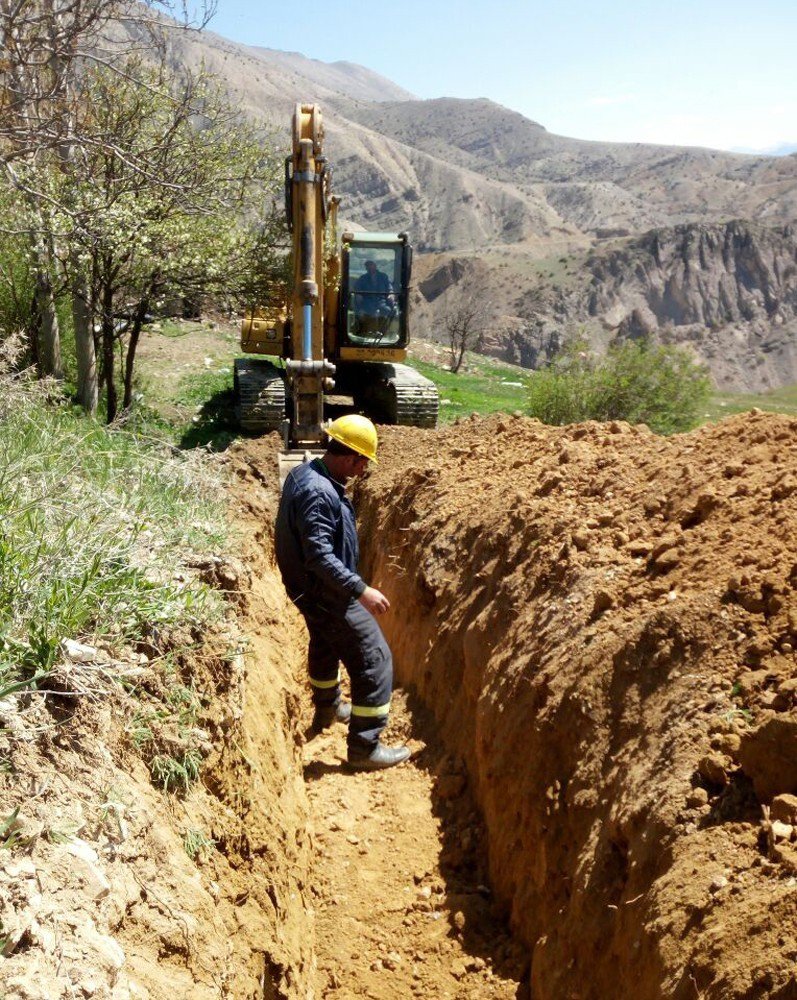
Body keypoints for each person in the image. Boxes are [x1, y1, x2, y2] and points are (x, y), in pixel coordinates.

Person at [274, 414, 411, 771]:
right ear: (351, 457)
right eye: (364, 462)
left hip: (311, 591)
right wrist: (361, 589)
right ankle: (365, 747)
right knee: (375, 660)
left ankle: (328, 706)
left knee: (324, 642)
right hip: (328, 594)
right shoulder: (319, 493)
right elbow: (320, 556)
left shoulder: (307, 476)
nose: (364, 470)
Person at [354, 259, 396, 328]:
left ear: (375, 266)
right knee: (368, 313)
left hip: (381, 301)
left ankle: (384, 331)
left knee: (389, 311)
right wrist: (358, 295)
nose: (369, 267)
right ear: (366, 268)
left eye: (371, 265)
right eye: (367, 266)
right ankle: (368, 330)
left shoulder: (383, 276)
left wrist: (391, 293)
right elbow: (357, 288)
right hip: (367, 302)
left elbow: (389, 288)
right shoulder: (363, 278)